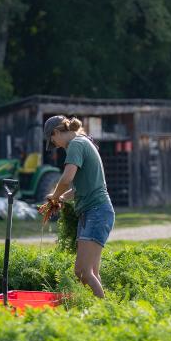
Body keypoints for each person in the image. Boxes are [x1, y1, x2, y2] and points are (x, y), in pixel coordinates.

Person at [43, 115, 114, 298]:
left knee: (82, 272)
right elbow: (79, 188)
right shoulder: (82, 142)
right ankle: (102, 313)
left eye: (53, 140)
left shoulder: (76, 144)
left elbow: (67, 180)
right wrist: (62, 199)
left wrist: (54, 197)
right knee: (91, 273)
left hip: (96, 211)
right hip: (96, 211)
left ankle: (107, 311)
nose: (55, 144)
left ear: (57, 132)